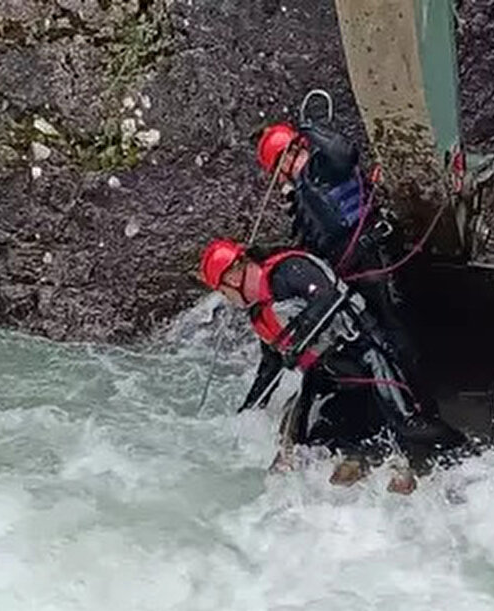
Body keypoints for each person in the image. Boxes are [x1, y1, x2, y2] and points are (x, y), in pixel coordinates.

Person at [198, 237, 468, 494]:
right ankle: (355, 471)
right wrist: (246, 413)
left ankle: (469, 455)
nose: (227, 299)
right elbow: (270, 368)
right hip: (331, 374)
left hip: (367, 353)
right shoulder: (259, 314)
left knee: (409, 425)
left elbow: (327, 299)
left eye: (222, 291)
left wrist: (300, 340)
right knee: (305, 446)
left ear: (233, 278)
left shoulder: (289, 270)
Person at [255, 120, 435, 412]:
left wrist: (308, 128)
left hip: (375, 258)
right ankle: (403, 399)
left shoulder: (322, 167)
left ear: (285, 159)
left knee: (396, 331)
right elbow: (313, 244)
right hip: (353, 272)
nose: (279, 180)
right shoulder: (302, 194)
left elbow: (345, 152)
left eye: (277, 170)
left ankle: (422, 401)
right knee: (383, 337)